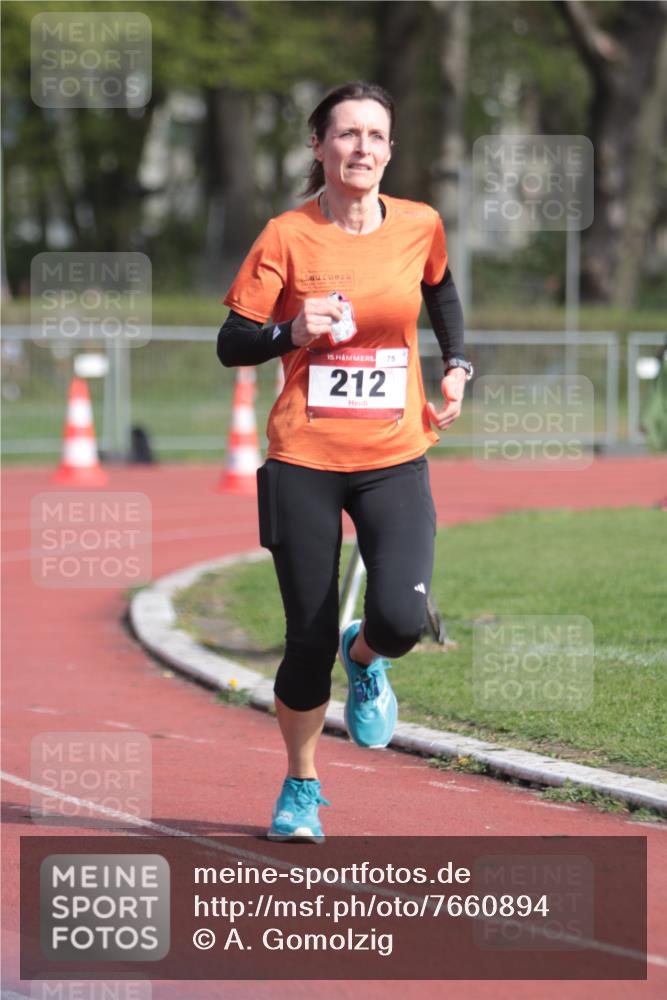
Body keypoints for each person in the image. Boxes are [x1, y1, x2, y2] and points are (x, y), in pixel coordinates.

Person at [217, 81, 471, 843]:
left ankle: (364, 656)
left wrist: (459, 366)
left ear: (390, 151)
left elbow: (443, 295)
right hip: (304, 456)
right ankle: (300, 786)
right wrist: (292, 331)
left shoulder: (420, 224)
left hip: (394, 454)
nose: (362, 148)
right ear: (317, 147)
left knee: (398, 619)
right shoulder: (286, 236)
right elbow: (233, 342)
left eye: (375, 136)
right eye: (346, 134)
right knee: (303, 634)